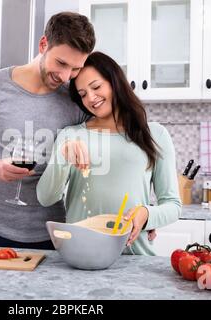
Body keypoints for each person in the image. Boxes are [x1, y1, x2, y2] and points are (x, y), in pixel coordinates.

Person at [0, 12, 96, 250]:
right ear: (43, 44)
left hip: (52, 234)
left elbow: (114, 138)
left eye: (75, 69)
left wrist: (142, 215)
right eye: (60, 63)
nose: (65, 76)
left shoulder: (75, 99)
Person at [36, 51, 181, 255]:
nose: (91, 98)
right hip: (81, 255)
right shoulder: (72, 135)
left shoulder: (155, 134)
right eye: (83, 94)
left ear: (114, 82)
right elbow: (45, 197)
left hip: (134, 256)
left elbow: (173, 205)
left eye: (96, 87)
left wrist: (146, 214)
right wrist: (62, 156)